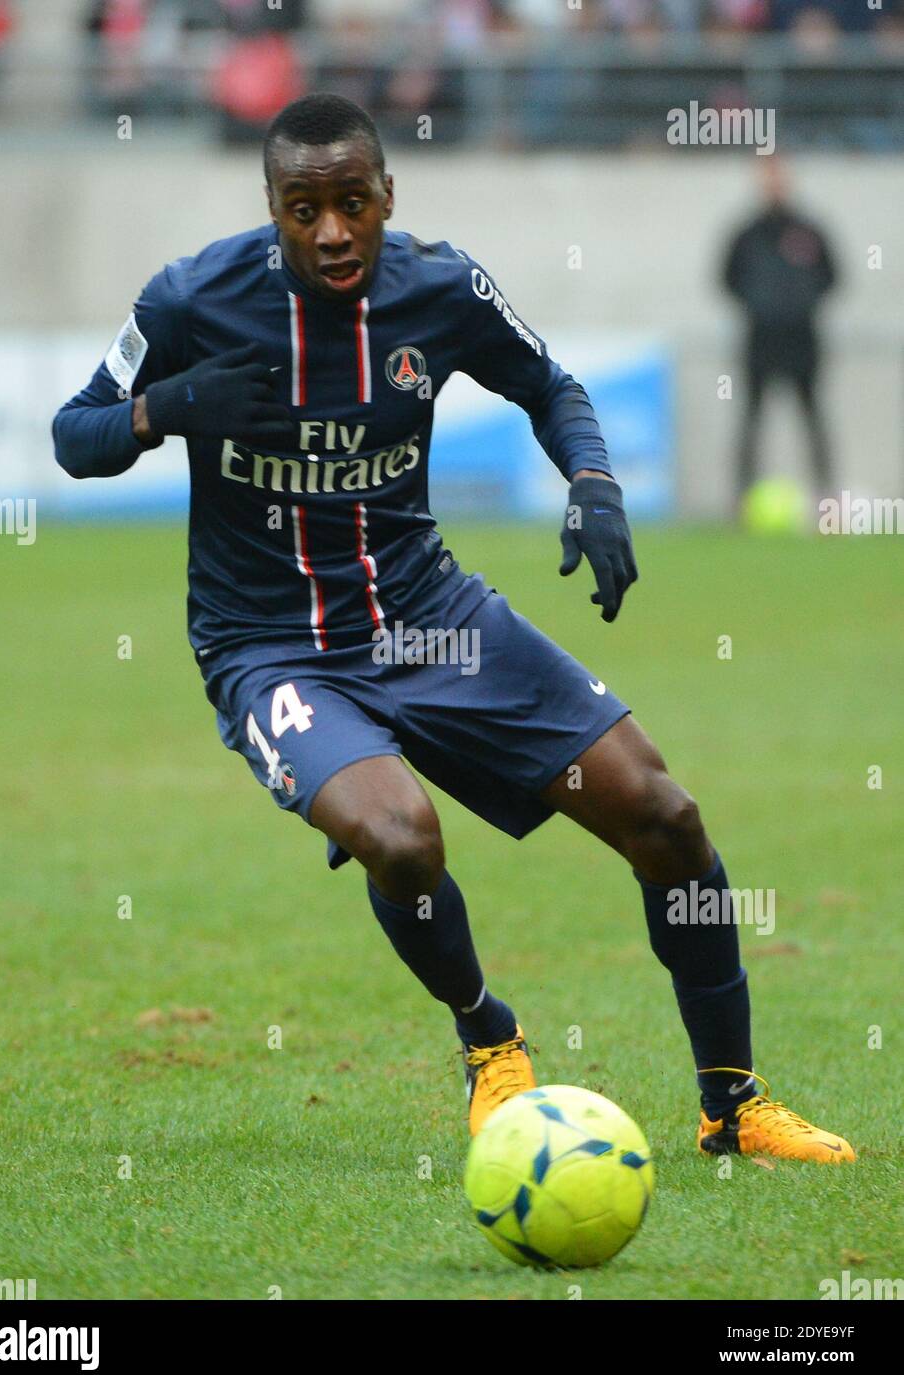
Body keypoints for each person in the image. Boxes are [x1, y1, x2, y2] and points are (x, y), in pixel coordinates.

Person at [53, 93, 853, 1163]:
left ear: (388, 195)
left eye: (351, 203)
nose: (330, 231)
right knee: (397, 837)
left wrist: (594, 482)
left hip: (431, 619)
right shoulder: (193, 300)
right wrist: (168, 407)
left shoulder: (440, 287)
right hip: (269, 647)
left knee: (662, 815)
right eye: (303, 209)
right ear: (273, 210)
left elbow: (548, 385)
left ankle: (734, 1105)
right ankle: (491, 1038)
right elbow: (74, 436)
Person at [723, 157, 839, 506]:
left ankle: (826, 499)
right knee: (751, 420)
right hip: (760, 340)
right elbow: (727, 278)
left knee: (812, 416)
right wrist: (759, 306)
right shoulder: (746, 234)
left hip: (802, 339)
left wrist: (801, 304)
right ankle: (742, 501)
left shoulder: (810, 230)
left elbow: (832, 276)